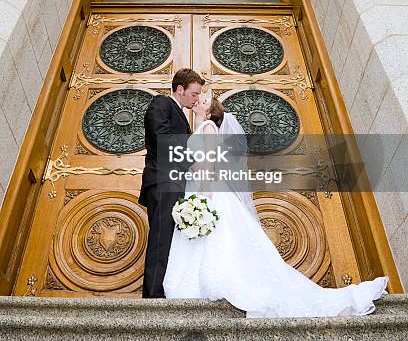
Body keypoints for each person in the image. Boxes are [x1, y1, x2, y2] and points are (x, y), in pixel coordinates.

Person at [163, 94, 389, 318]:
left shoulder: (209, 126)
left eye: (203, 101)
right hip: (199, 185)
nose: (197, 102)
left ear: (210, 112)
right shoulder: (201, 126)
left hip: (209, 187)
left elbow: (211, 159)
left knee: (218, 232)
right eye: (198, 99)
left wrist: (205, 187)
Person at [139, 68, 205, 298]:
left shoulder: (181, 114)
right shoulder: (161, 104)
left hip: (174, 184)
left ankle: (164, 291)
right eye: (194, 94)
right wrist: (191, 163)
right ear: (179, 89)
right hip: (162, 181)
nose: (197, 99)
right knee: (161, 237)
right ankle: (153, 297)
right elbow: (162, 137)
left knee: (169, 239)